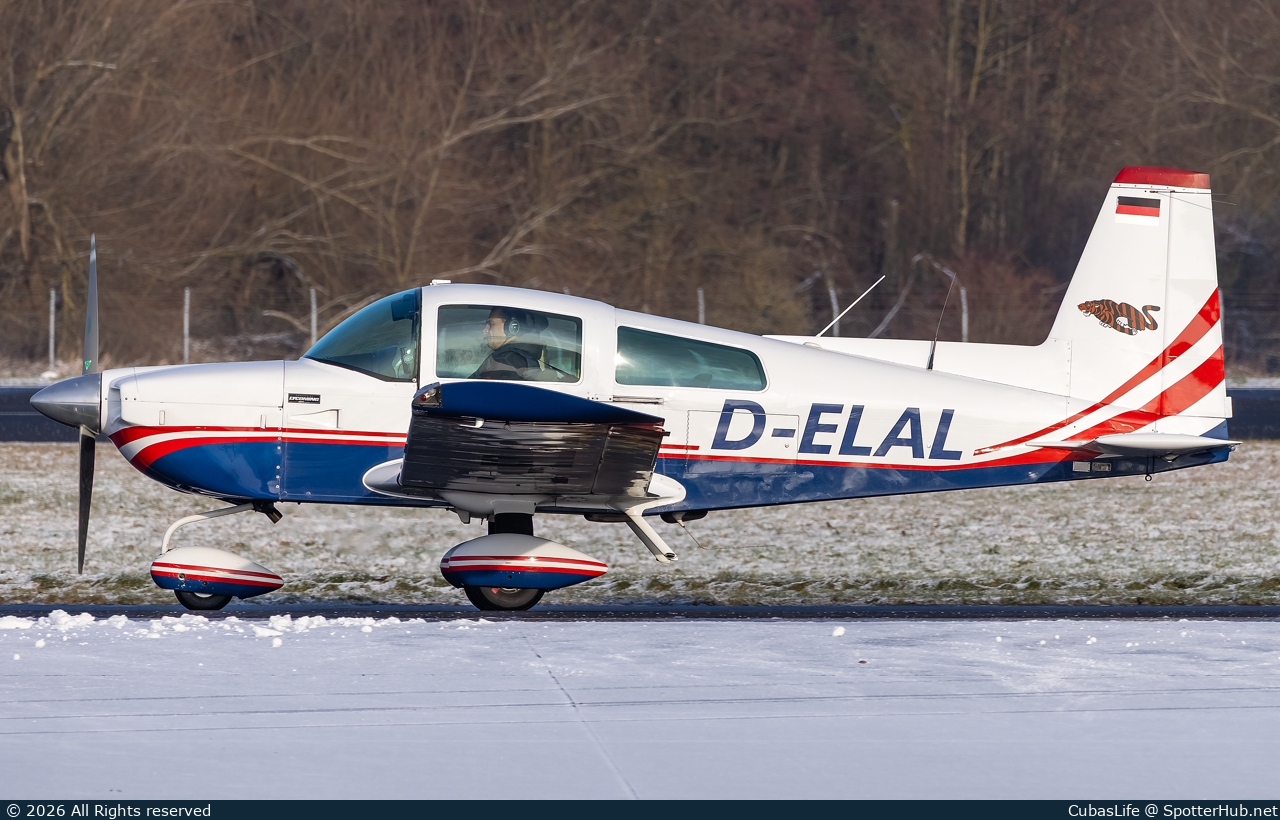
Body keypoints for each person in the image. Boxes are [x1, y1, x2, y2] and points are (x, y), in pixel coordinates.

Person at [471, 307, 554, 380]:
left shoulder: (505, 361)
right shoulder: (520, 357)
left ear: (512, 327)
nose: (485, 330)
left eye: (491, 324)